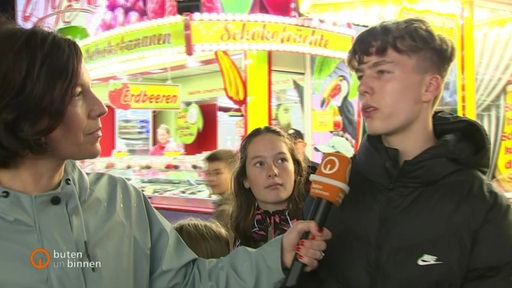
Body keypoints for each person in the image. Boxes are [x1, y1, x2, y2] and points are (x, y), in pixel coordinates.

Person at [0, 21, 331, 287]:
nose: (100, 108)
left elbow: (191, 280)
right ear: (29, 108)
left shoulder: (121, 202)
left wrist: (278, 255)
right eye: (76, 94)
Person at [298, 18, 512, 287]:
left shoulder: (482, 206)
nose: (363, 87)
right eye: (362, 75)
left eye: (382, 72)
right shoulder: (334, 188)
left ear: (429, 87)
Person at [231, 126, 307, 248]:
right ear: (245, 179)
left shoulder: (317, 222)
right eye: (260, 163)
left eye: (281, 160)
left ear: (296, 170)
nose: (273, 171)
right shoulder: (241, 230)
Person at [204, 149, 239, 243]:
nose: (210, 179)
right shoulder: (240, 200)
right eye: (208, 174)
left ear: (234, 174)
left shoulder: (226, 211)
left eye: (217, 173)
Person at [287, 128, 318, 193]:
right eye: (290, 143)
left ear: (304, 145)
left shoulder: (316, 169)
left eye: (296, 142)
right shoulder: (283, 171)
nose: (293, 145)